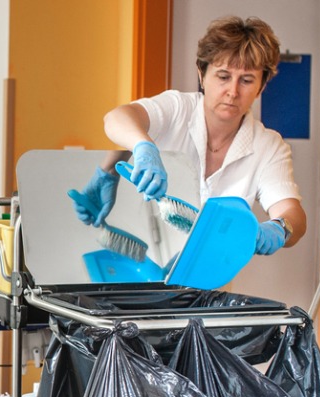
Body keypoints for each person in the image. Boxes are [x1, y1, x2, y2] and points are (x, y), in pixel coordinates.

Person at [72, 16, 306, 256]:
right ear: (202, 74)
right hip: (137, 266)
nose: (233, 92)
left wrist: (280, 227)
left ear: (262, 85)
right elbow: (116, 118)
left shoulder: (268, 145)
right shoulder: (177, 108)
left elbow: (291, 212)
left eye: (246, 80)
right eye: (223, 77)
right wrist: (141, 148)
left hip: (207, 276)